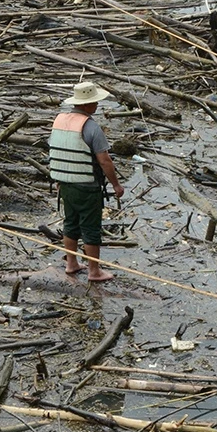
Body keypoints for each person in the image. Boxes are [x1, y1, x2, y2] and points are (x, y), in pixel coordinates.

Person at [48, 80, 124, 282]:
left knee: (70, 223)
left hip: (65, 183)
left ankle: (71, 263)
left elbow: (56, 149)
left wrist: (59, 177)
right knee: (91, 227)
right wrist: (116, 184)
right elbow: (104, 160)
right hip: (87, 185)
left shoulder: (59, 120)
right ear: (87, 104)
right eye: (95, 102)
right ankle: (94, 271)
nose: (97, 105)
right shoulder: (91, 128)